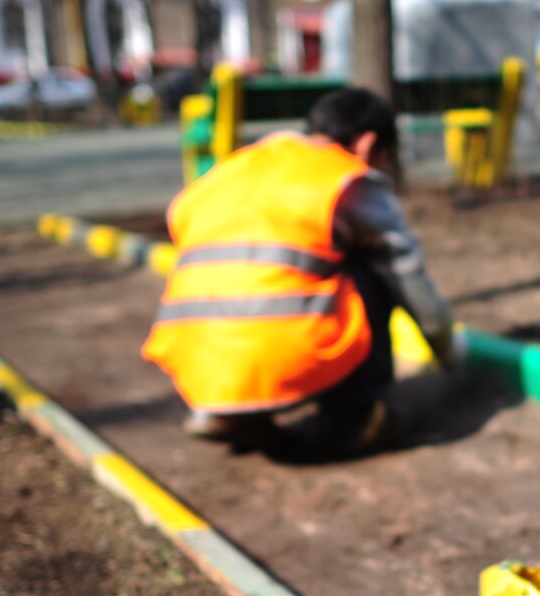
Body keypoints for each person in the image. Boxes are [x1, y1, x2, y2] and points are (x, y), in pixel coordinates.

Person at [143, 88, 456, 457]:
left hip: (190, 360)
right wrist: (448, 353)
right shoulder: (345, 179)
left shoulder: (232, 169)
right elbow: (409, 277)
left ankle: (223, 410)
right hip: (282, 352)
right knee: (370, 265)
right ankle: (359, 415)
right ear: (369, 145)